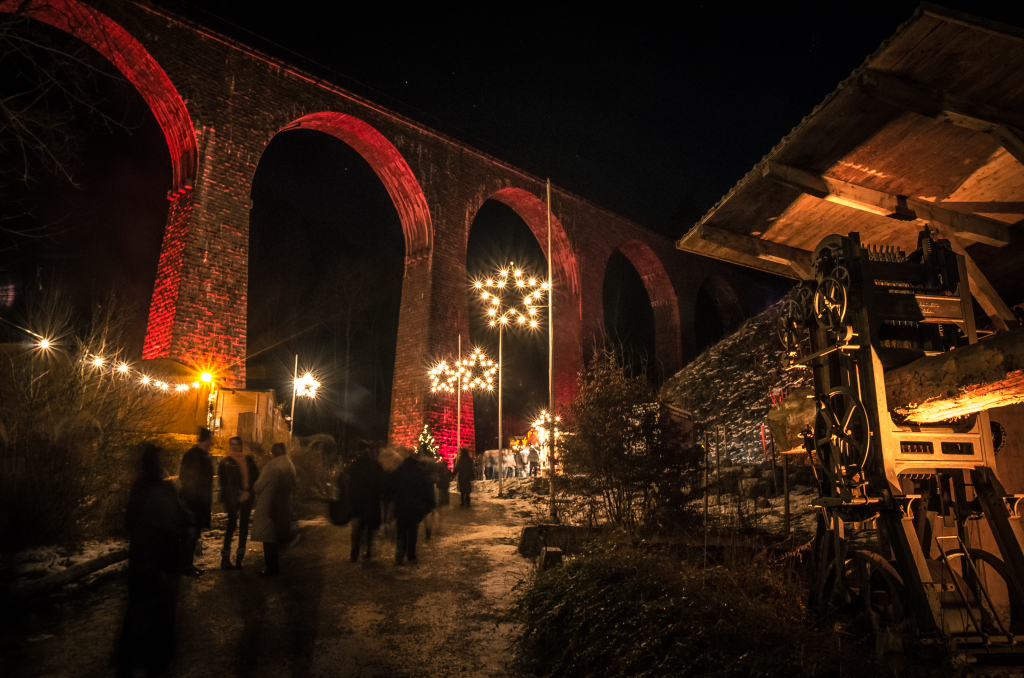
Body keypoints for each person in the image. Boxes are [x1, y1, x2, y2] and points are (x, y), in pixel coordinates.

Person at [116, 444, 187, 678]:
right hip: (161, 562)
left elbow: (128, 523)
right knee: (161, 616)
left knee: (135, 611)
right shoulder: (165, 489)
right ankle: (154, 664)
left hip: (139, 559)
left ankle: (126, 662)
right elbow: (177, 522)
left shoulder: (138, 487)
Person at [251, 442, 296, 577]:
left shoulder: (271, 466)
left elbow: (258, 487)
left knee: (268, 538)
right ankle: (275, 567)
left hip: (268, 505)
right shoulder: (290, 465)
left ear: (272, 453)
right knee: (275, 535)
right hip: (284, 504)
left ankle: (271, 568)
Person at [384, 448, 435, 565]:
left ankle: (399, 555)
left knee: (401, 531)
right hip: (414, 506)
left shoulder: (399, 470)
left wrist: (387, 498)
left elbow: (390, 487)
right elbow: (424, 489)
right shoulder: (419, 471)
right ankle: (411, 556)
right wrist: (430, 503)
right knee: (412, 531)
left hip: (401, 505)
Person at [217, 436, 259, 570]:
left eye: (237, 444)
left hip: (247, 497)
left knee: (244, 528)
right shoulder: (225, 462)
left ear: (241, 445)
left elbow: (256, 477)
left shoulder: (249, 460)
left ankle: (240, 558)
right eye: (232, 444)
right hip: (232, 498)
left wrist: (249, 492)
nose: (235, 447)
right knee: (231, 526)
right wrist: (237, 494)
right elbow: (224, 483)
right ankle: (225, 559)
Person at [177, 427, 213, 576]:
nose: (212, 442)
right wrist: (194, 501)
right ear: (207, 439)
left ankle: (187, 564)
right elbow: (192, 481)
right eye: (210, 439)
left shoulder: (196, 455)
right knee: (190, 536)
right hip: (194, 504)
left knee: (192, 536)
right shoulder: (197, 457)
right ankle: (185, 566)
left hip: (194, 502)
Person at [343, 440, 384, 562]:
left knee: (356, 530)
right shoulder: (376, 465)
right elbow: (380, 484)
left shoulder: (355, 465)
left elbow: (349, 483)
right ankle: (368, 551)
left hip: (358, 502)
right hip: (371, 502)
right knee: (369, 529)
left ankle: (354, 554)